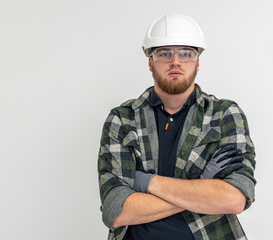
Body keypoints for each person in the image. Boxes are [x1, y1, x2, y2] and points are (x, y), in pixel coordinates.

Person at [97, 13, 256, 240]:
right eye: (164, 53)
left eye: (185, 53)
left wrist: (146, 182)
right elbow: (117, 210)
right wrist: (202, 186)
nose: (175, 61)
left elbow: (234, 199)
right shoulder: (122, 120)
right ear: (150, 62)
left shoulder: (224, 116)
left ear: (197, 62)